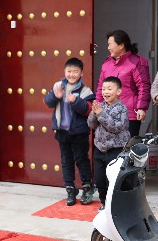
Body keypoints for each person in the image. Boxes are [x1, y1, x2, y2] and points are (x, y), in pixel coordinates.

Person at [44, 57, 95, 206]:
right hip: (62, 131)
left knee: (81, 159)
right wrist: (55, 96)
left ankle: (87, 187)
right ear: (64, 71)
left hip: (79, 133)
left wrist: (76, 101)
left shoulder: (86, 91)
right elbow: (47, 101)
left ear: (81, 73)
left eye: (75, 71)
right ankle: (70, 189)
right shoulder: (58, 86)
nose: (72, 74)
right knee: (66, 161)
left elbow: (88, 110)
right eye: (69, 71)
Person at [96, 30, 151, 139]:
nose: (108, 48)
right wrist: (97, 107)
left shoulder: (136, 62)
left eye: (110, 44)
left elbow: (144, 86)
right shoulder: (106, 64)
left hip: (129, 114)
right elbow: (100, 88)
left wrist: (141, 108)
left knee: (126, 149)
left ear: (121, 45)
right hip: (108, 113)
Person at [87, 76, 130, 211]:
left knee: (113, 180)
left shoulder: (122, 109)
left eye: (109, 89)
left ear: (118, 91)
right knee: (99, 179)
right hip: (99, 149)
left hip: (115, 150)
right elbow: (91, 124)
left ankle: (115, 205)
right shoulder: (101, 106)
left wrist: (101, 114)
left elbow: (116, 128)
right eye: (104, 89)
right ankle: (104, 203)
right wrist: (95, 113)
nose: (106, 92)